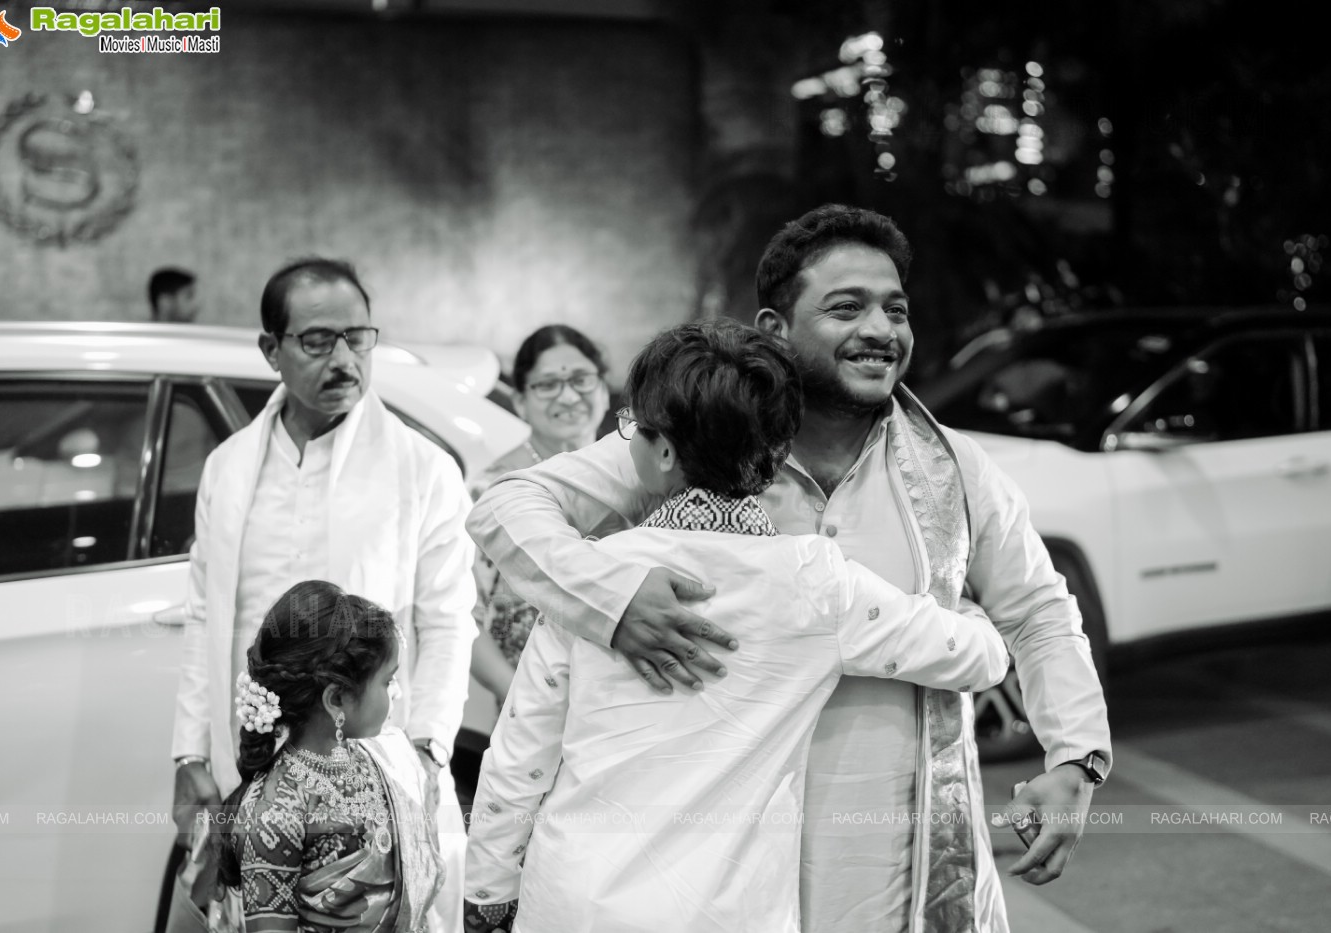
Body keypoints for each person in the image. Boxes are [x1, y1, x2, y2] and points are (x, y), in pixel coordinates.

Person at [466, 205, 1113, 932]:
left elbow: (1037, 613)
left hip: (897, 863)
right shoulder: (697, 437)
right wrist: (608, 596)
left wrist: (1073, 759)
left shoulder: (957, 468)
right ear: (775, 327)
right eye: (846, 307)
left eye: (894, 309)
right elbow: (507, 507)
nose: (879, 329)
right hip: (727, 879)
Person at [170, 258, 478, 931]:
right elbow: (204, 618)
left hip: (375, 772)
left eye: (357, 337)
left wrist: (429, 750)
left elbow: (450, 619)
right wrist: (190, 752)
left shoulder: (421, 469)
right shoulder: (228, 467)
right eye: (317, 341)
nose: (343, 359)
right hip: (246, 767)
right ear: (270, 350)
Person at [169, 580, 445, 931]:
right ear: (337, 700)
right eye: (387, 681)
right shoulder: (274, 813)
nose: (399, 693)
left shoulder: (383, 758)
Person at [467, 325, 611, 709]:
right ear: (519, 400)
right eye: (547, 385)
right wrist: (518, 694)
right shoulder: (491, 490)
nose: (567, 395)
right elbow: (463, 615)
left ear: (602, 388)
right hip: (532, 710)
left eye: (581, 380)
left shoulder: (638, 475)